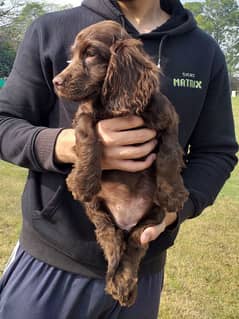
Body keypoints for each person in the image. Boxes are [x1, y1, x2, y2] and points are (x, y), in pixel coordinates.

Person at [0, 0, 237, 318]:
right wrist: (68, 146)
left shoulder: (204, 51)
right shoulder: (50, 29)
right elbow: (4, 123)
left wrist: (174, 210)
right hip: (50, 264)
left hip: (141, 271)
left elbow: (217, 151)